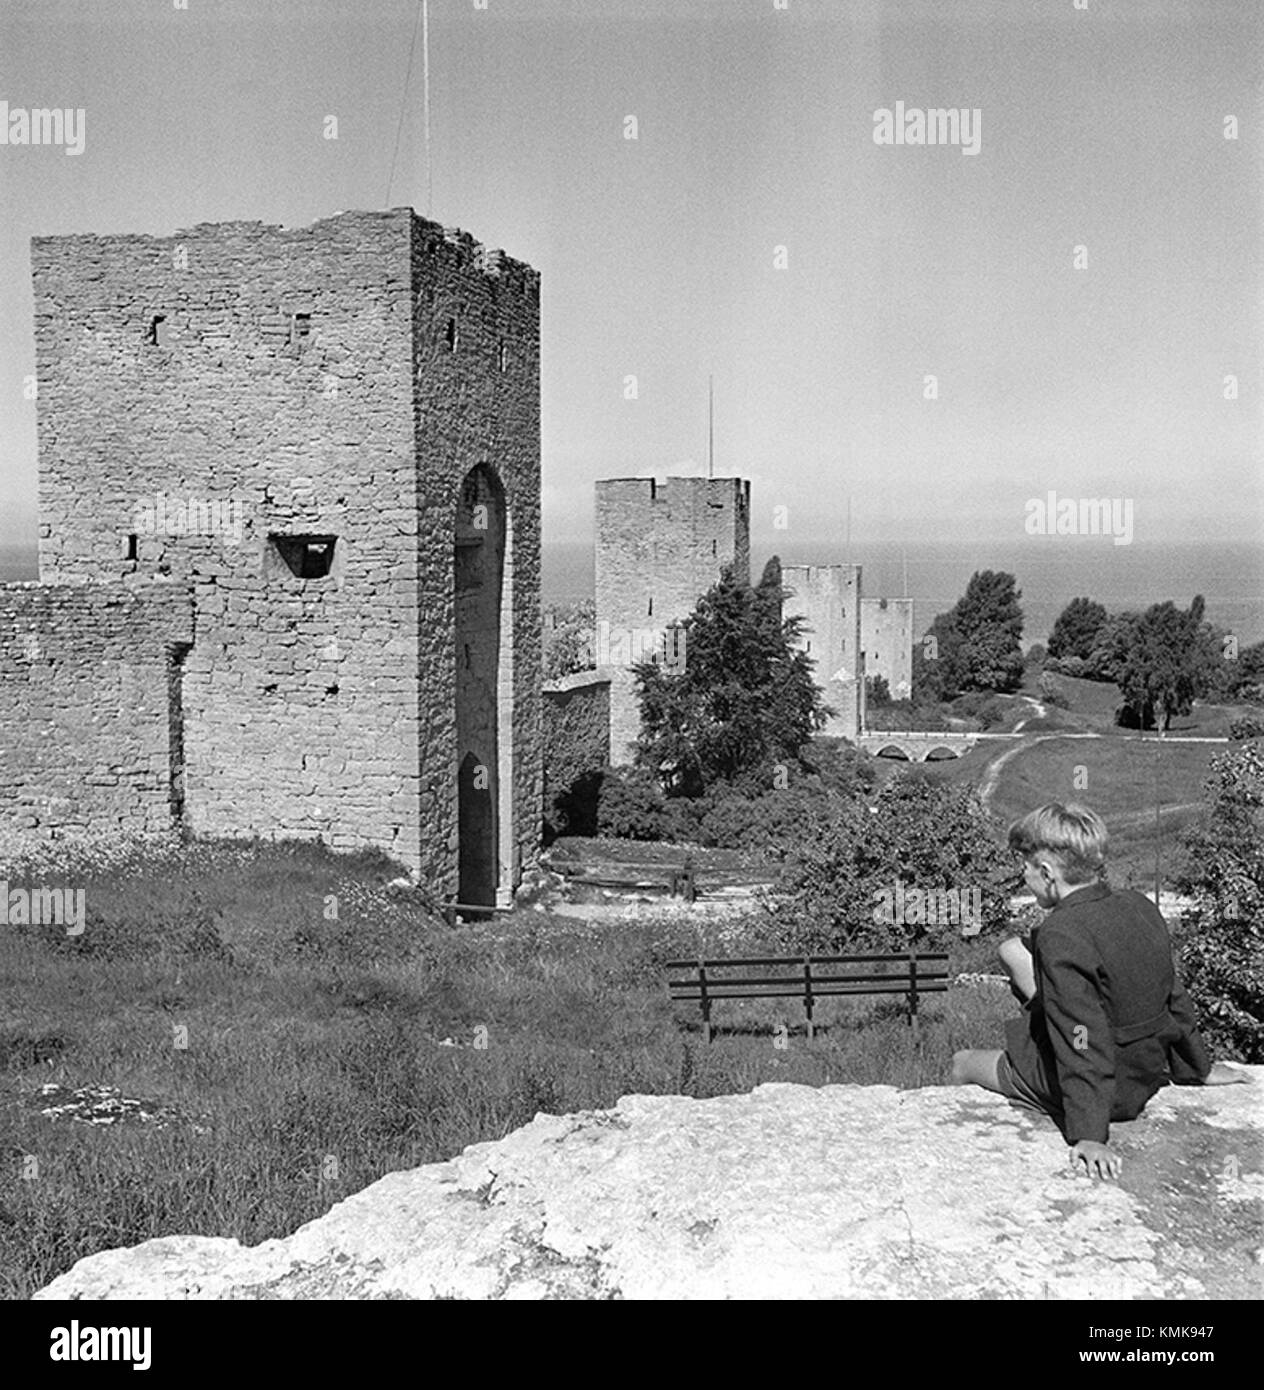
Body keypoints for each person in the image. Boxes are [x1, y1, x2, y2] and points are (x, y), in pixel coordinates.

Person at [951, 802, 1250, 1181]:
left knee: (962, 1061)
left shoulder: (1062, 933)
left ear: (1047, 873)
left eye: (1025, 867)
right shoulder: (1139, 906)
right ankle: (1045, 1013)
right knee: (1012, 950)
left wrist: (1090, 1135)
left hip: (1109, 1090)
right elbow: (1173, 994)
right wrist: (1199, 1069)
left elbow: (1081, 1035)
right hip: (1143, 1068)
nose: (1022, 875)